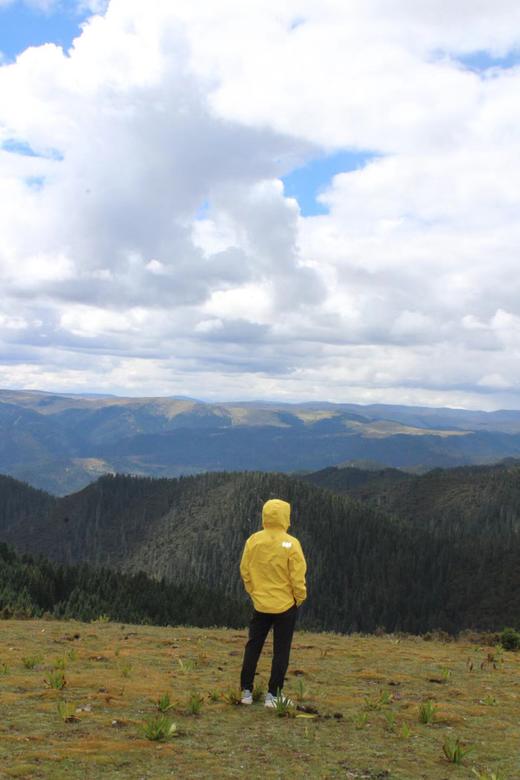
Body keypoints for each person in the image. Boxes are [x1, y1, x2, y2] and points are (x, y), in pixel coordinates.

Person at [239, 498, 307, 708]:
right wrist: (299, 598)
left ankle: (246, 692)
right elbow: (297, 577)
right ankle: (273, 695)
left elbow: (245, 571)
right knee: (281, 651)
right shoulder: (292, 543)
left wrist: (254, 593)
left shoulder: (253, 541)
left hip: (260, 604)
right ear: (285, 517)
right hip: (285, 606)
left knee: (253, 646)